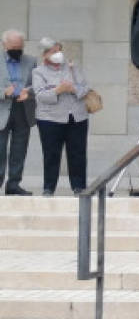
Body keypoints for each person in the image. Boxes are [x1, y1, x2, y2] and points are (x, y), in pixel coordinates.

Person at [31, 38, 90, 196]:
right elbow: (40, 95)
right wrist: (58, 90)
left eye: (59, 50)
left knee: (77, 153)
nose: (58, 54)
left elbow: (85, 88)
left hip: (76, 117)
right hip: (50, 119)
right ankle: (49, 187)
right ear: (45, 55)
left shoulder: (72, 67)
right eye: (54, 51)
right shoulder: (38, 72)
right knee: (51, 154)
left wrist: (73, 89)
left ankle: (79, 186)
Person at [0, 29, 36, 195]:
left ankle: (13, 184)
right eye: (14, 47)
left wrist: (29, 92)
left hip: (23, 109)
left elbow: (38, 84)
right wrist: (3, 92)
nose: (17, 50)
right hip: (2, 108)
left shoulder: (31, 60)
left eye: (20, 47)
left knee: (19, 149)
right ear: (4, 45)